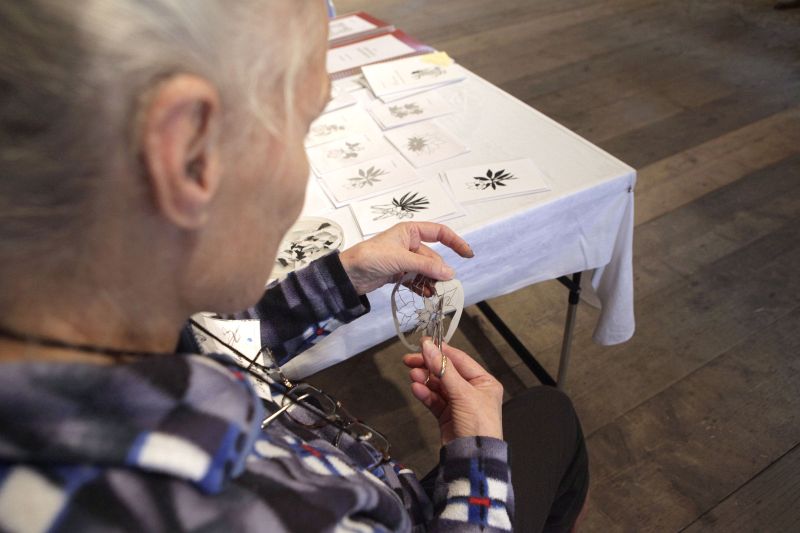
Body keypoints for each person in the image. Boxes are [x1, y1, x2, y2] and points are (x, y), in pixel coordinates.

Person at [0, 0, 588, 531]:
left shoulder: (88, 322)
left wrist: (343, 277)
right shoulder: (249, 513)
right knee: (550, 415)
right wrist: (477, 448)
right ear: (189, 152)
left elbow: (212, 344)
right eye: (303, 124)